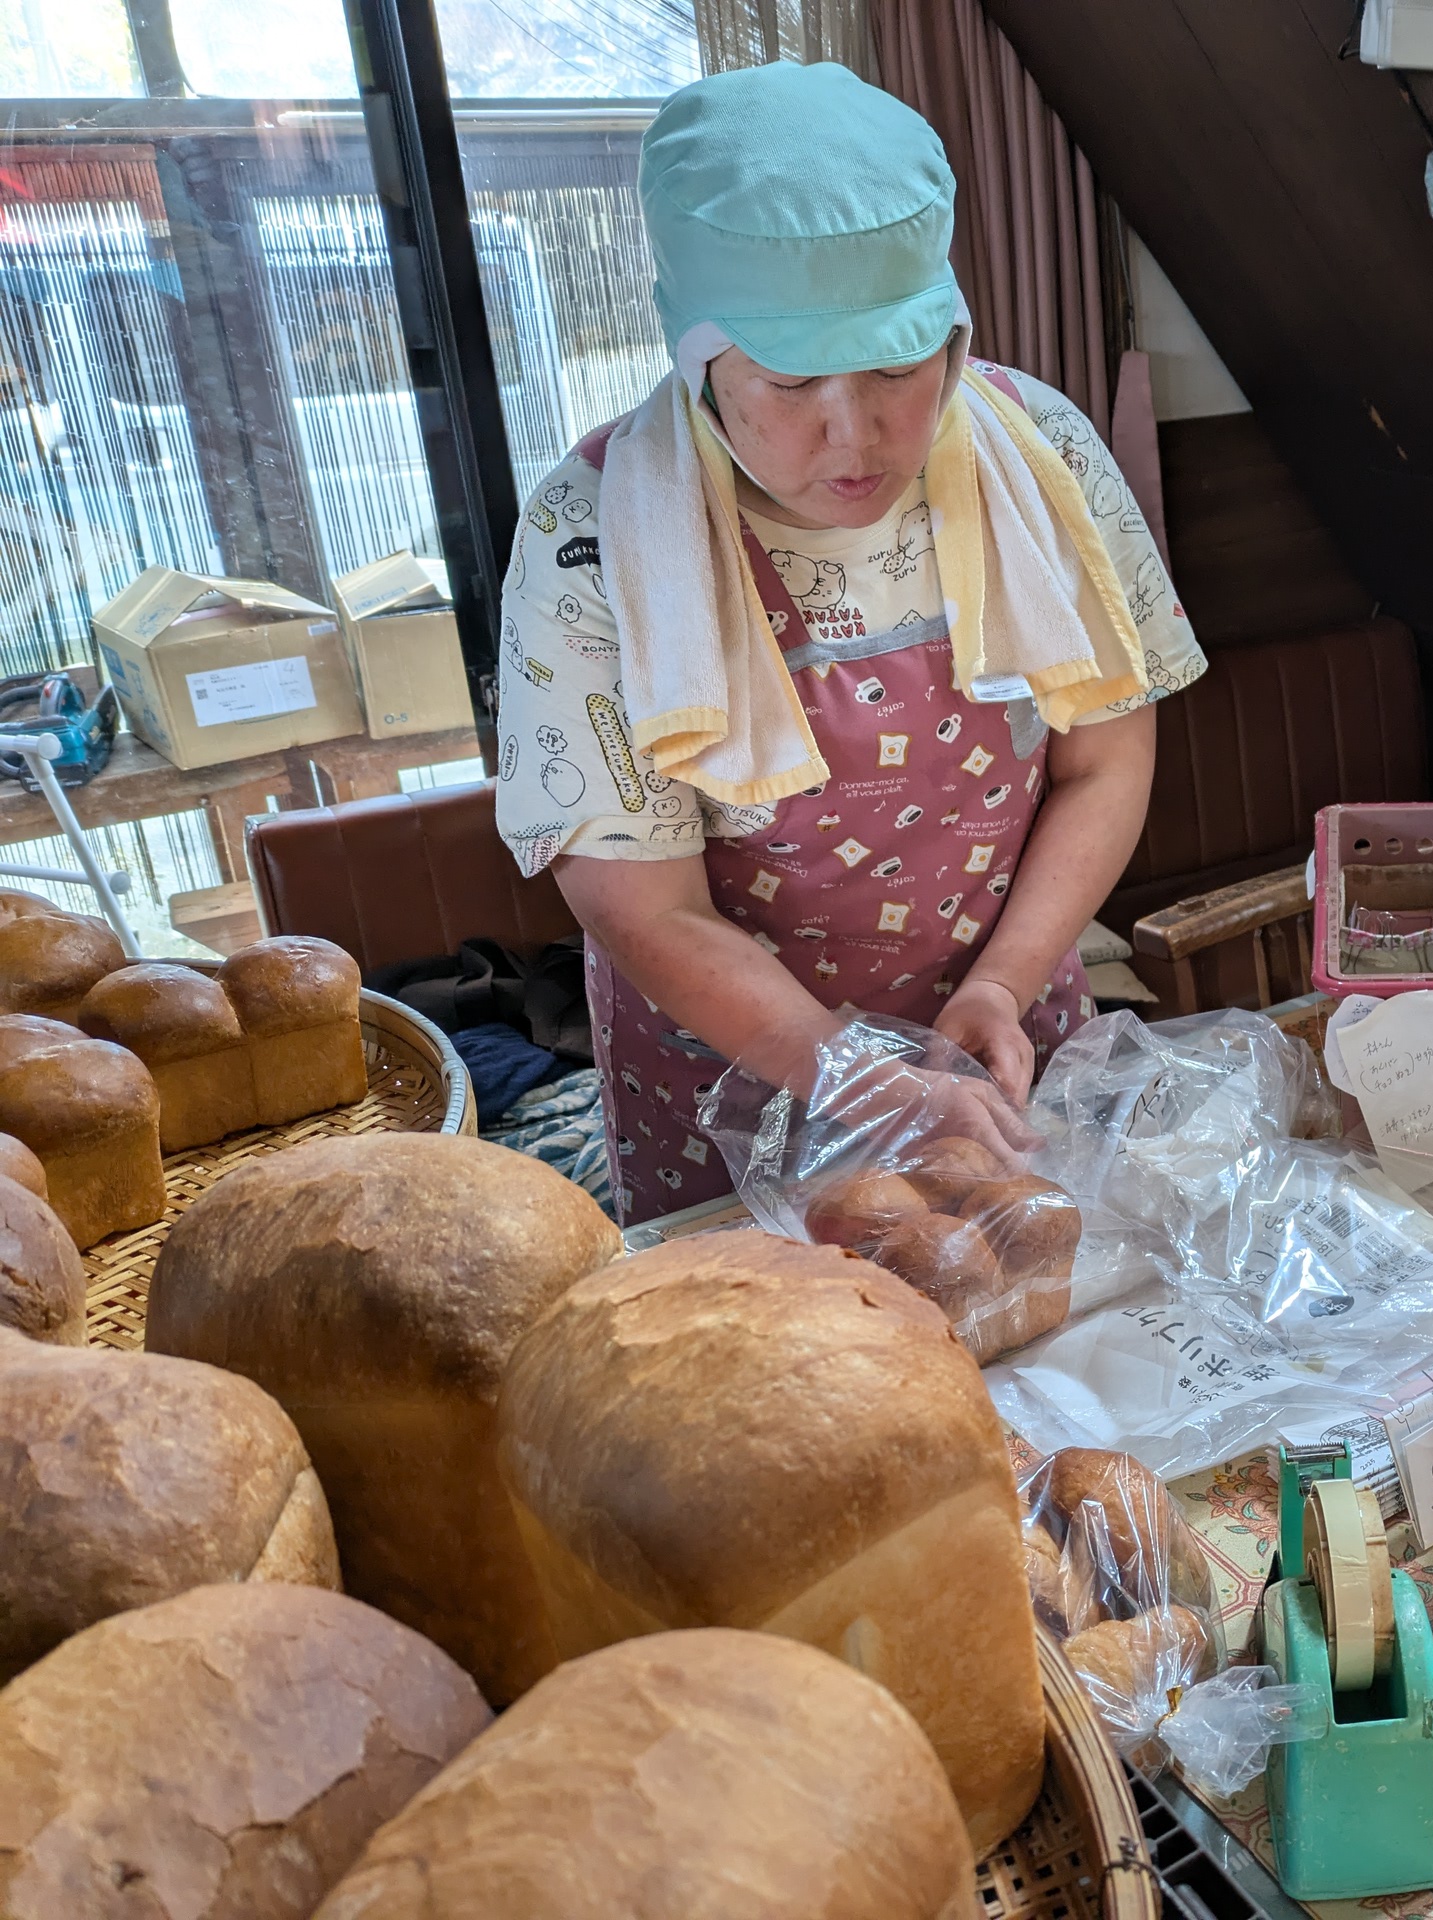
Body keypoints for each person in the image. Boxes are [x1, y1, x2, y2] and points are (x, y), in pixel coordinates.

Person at [492, 61, 1203, 1223]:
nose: (854, 434)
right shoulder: (594, 534)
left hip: (1003, 1035)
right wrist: (848, 1074)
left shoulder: (1044, 459)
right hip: (730, 1074)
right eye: (787, 380)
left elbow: (1104, 761)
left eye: (897, 365)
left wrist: (1000, 985)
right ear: (696, 355)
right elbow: (642, 904)